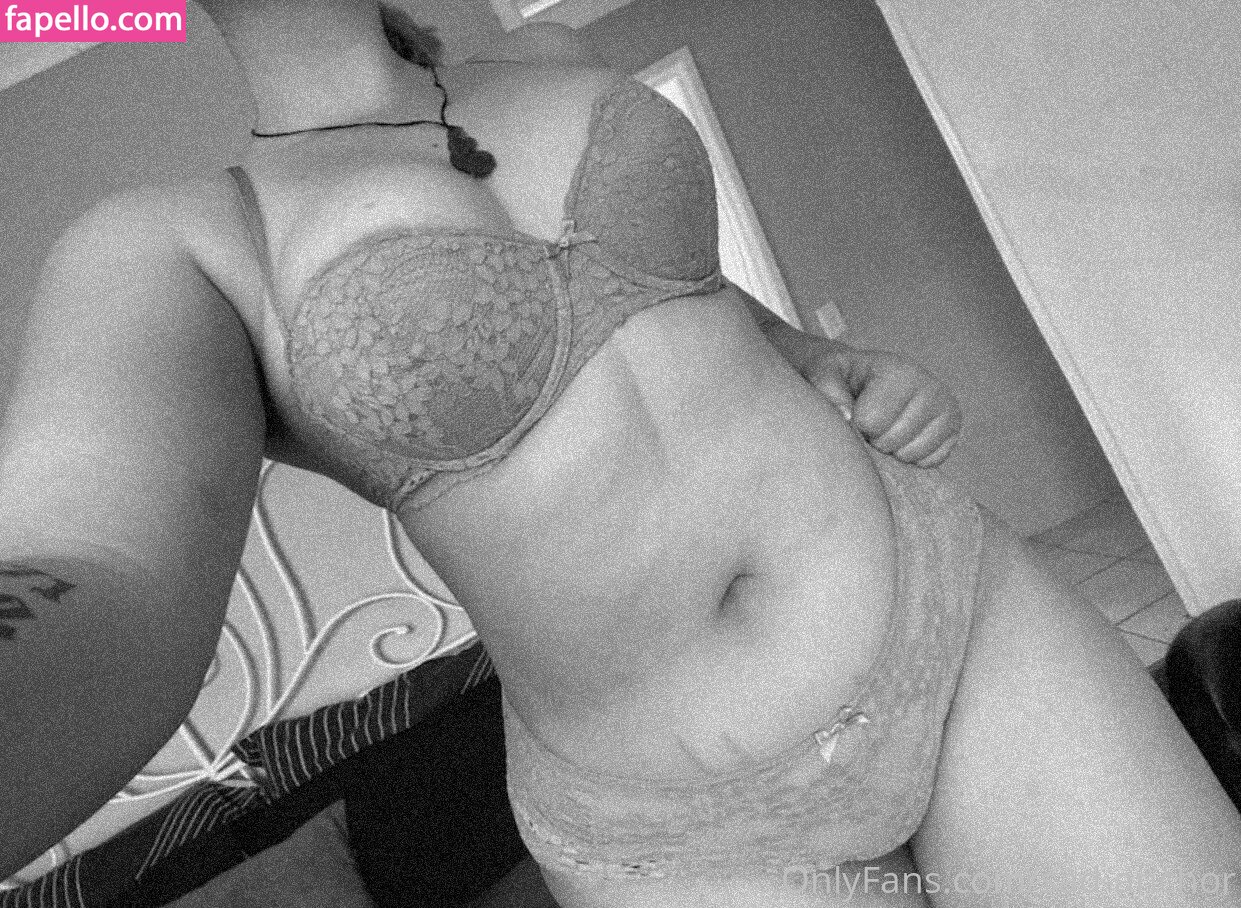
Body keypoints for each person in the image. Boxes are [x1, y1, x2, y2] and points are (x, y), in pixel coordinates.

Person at [2, 1, 1239, 905]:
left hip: (955, 618)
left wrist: (818, 360)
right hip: (683, 834)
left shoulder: (549, 55)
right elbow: (94, 563)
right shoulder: (174, 247)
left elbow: (682, 305)